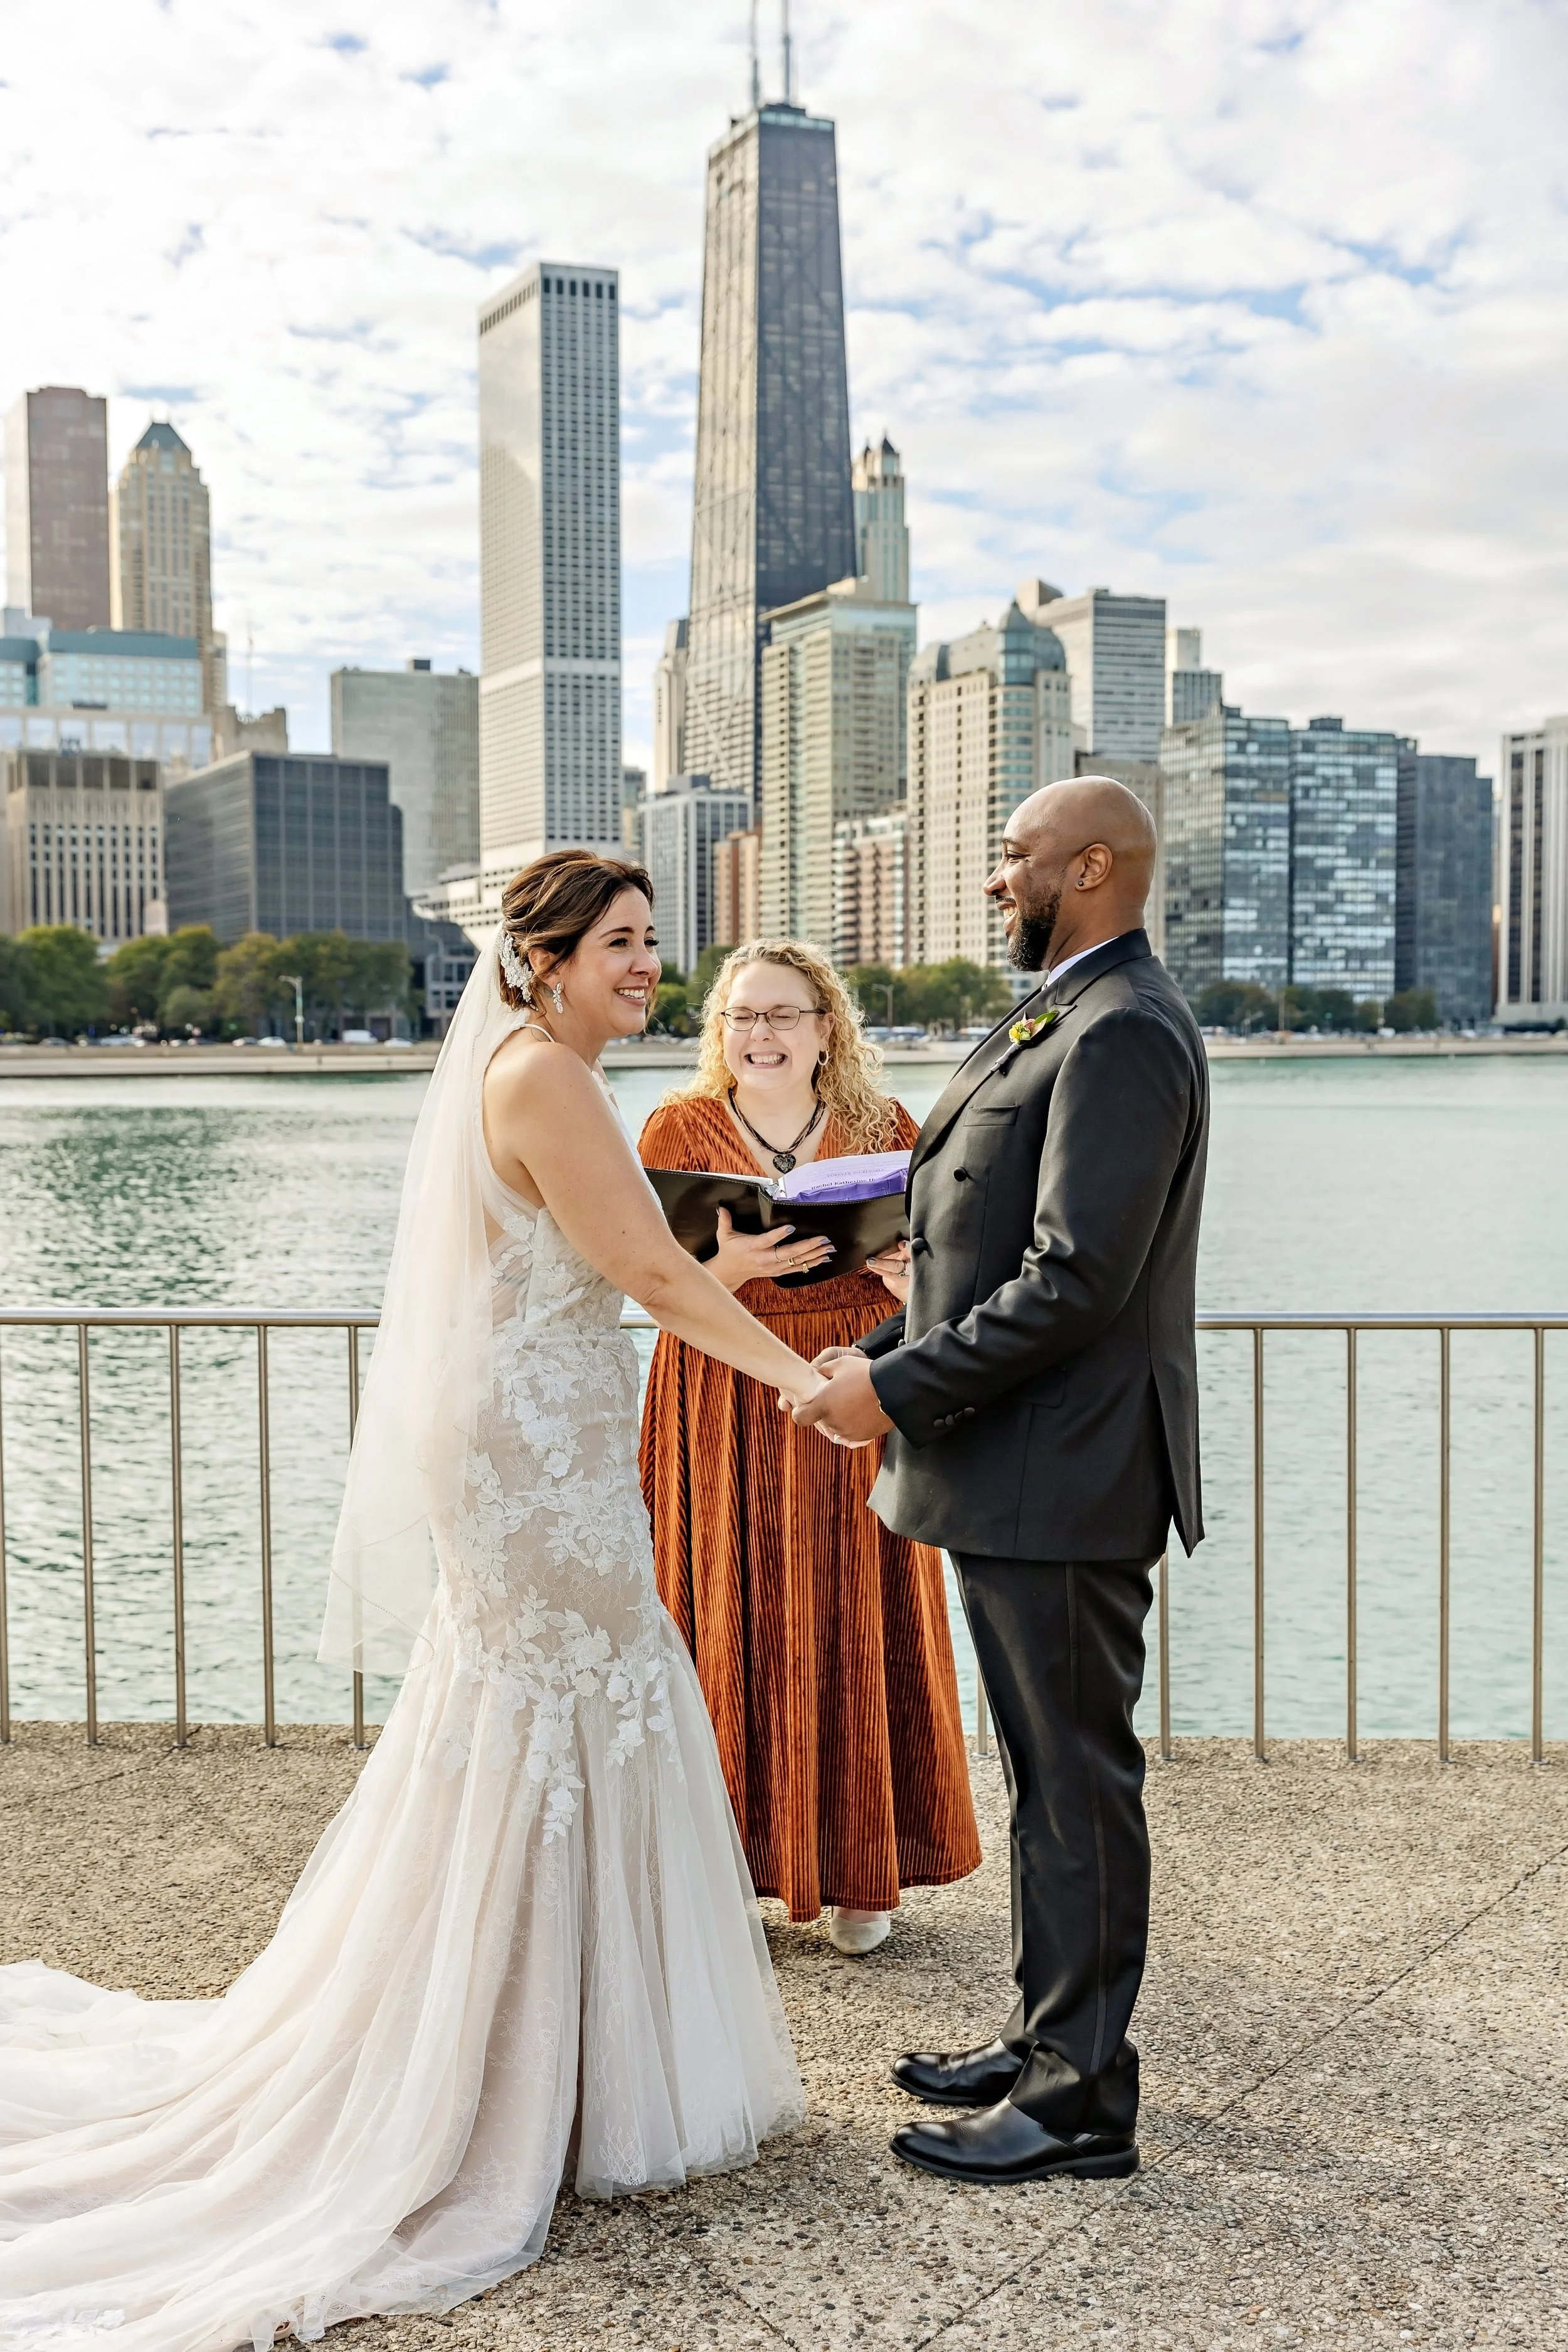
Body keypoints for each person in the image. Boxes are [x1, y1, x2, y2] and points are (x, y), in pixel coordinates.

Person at [0, 854, 824, 2351]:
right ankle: (519, 2072)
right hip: (535, 1455)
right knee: (576, 1695)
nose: (647, 965)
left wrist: (729, 1266)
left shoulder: (538, 1073)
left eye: (652, 940)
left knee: (553, 1703)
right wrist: (802, 1381)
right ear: (545, 961)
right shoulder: (546, 1078)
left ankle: (550, 2052)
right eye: (619, 943)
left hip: (540, 1432)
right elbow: (643, 1269)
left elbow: (591, 1264)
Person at [797, 778, 1210, 2186]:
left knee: (1076, 1781)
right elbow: (971, 1250)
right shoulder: (1064, 1010)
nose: (995, 880)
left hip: (1066, 1475)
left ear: (1088, 868)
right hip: (1016, 1468)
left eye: (1014, 857)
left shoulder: (1125, 1027)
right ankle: (1046, 2038)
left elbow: (1074, 1281)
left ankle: (1081, 2099)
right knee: (1043, 1775)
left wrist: (891, 1391)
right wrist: (875, 1355)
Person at [638, 941, 980, 1955]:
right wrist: (735, 1266)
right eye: (743, 1015)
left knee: (856, 1605)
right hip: (720, 1382)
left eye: (783, 1013)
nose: (762, 1033)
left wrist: (904, 1280)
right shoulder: (675, 1128)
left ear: (827, 1027)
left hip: (854, 1377)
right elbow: (648, 1282)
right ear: (721, 1030)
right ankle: (725, 1867)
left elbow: (950, 1280)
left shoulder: (890, 1128)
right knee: (719, 1610)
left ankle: (861, 1871)